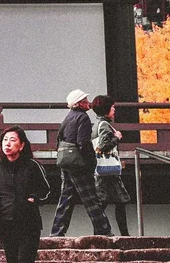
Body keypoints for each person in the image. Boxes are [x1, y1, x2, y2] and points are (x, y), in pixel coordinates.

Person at [50, 89, 113, 237]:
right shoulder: (83, 118)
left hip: (65, 161)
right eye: (85, 101)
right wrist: (91, 162)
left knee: (66, 198)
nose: (88, 103)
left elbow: (59, 138)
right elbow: (83, 143)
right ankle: (105, 230)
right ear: (79, 103)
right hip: (78, 163)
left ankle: (56, 232)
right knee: (91, 198)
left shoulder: (68, 118)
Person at [0, 127, 50, 263]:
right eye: (5, 140)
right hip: (6, 224)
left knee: (25, 259)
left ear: (22, 145)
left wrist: (34, 199)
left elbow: (46, 190)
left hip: (29, 224)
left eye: (12, 140)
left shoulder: (32, 166)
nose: (7, 143)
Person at [88, 95, 131, 235]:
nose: (114, 110)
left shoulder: (96, 125)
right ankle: (123, 234)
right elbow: (103, 146)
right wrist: (116, 138)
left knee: (103, 202)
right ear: (106, 108)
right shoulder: (105, 125)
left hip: (101, 169)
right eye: (112, 107)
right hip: (109, 171)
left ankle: (99, 232)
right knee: (119, 201)